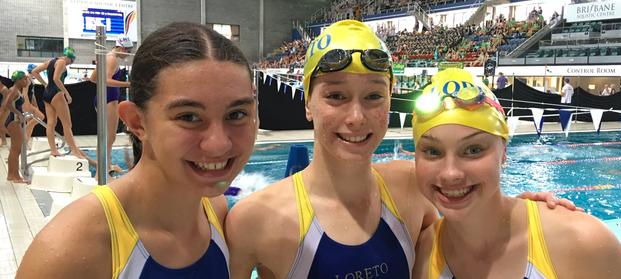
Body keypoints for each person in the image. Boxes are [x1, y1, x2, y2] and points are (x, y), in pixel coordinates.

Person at [227, 20, 577, 279]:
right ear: (307, 102)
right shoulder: (252, 220)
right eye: (336, 96)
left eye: (374, 96)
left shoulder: (413, 187)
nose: (356, 116)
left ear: (390, 100)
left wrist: (527, 212)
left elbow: (476, 223)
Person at [17, 22, 258, 278]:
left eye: (237, 114)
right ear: (136, 122)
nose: (219, 144)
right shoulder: (71, 249)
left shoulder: (216, 210)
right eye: (189, 117)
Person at [410, 68, 621, 278]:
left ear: (504, 152)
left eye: (473, 150)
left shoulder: (581, 240)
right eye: (432, 151)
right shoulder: (422, 253)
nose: (451, 173)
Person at [30, 47, 92, 161]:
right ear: (69, 58)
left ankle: (53, 150)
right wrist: (66, 93)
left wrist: (45, 84)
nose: (70, 64)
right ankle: (74, 150)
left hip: (47, 93)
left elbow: (34, 71)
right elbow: (56, 79)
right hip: (57, 94)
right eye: (71, 61)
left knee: (51, 123)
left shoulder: (51, 61)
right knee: (67, 125)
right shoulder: (62, 62)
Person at [89, 35, 133, 174]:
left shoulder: (106, 57)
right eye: (128, 50)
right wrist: (128, 85)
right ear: (122, 47)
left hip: (103, 98)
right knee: (109, 137)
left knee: (107, 136)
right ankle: (102, 172)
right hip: (108, 99)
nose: (127, 54)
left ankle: (106, 167)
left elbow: (93, 79)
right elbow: (106, 80)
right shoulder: (112, 59)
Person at [1, 71, 30, 183]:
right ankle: (15, 176)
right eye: (23, 79)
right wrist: (18, 113)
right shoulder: (14, 90)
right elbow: (6, 104)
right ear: (17, 80)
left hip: (13, 120)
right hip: (13, 121)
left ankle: (11, 175)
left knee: (15, 149)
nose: (25, 80)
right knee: (16, 149)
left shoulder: (15, 89)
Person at [22, 64, 46, 147]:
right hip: (24, 103)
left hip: (28, 102)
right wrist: (27, 104)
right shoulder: (27, 79)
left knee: (30, 123)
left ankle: (25, 143)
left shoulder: (31, 80)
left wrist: (35, 105)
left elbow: (32, 95)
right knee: (40, 117)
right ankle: (23, 136)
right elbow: (24, 93)